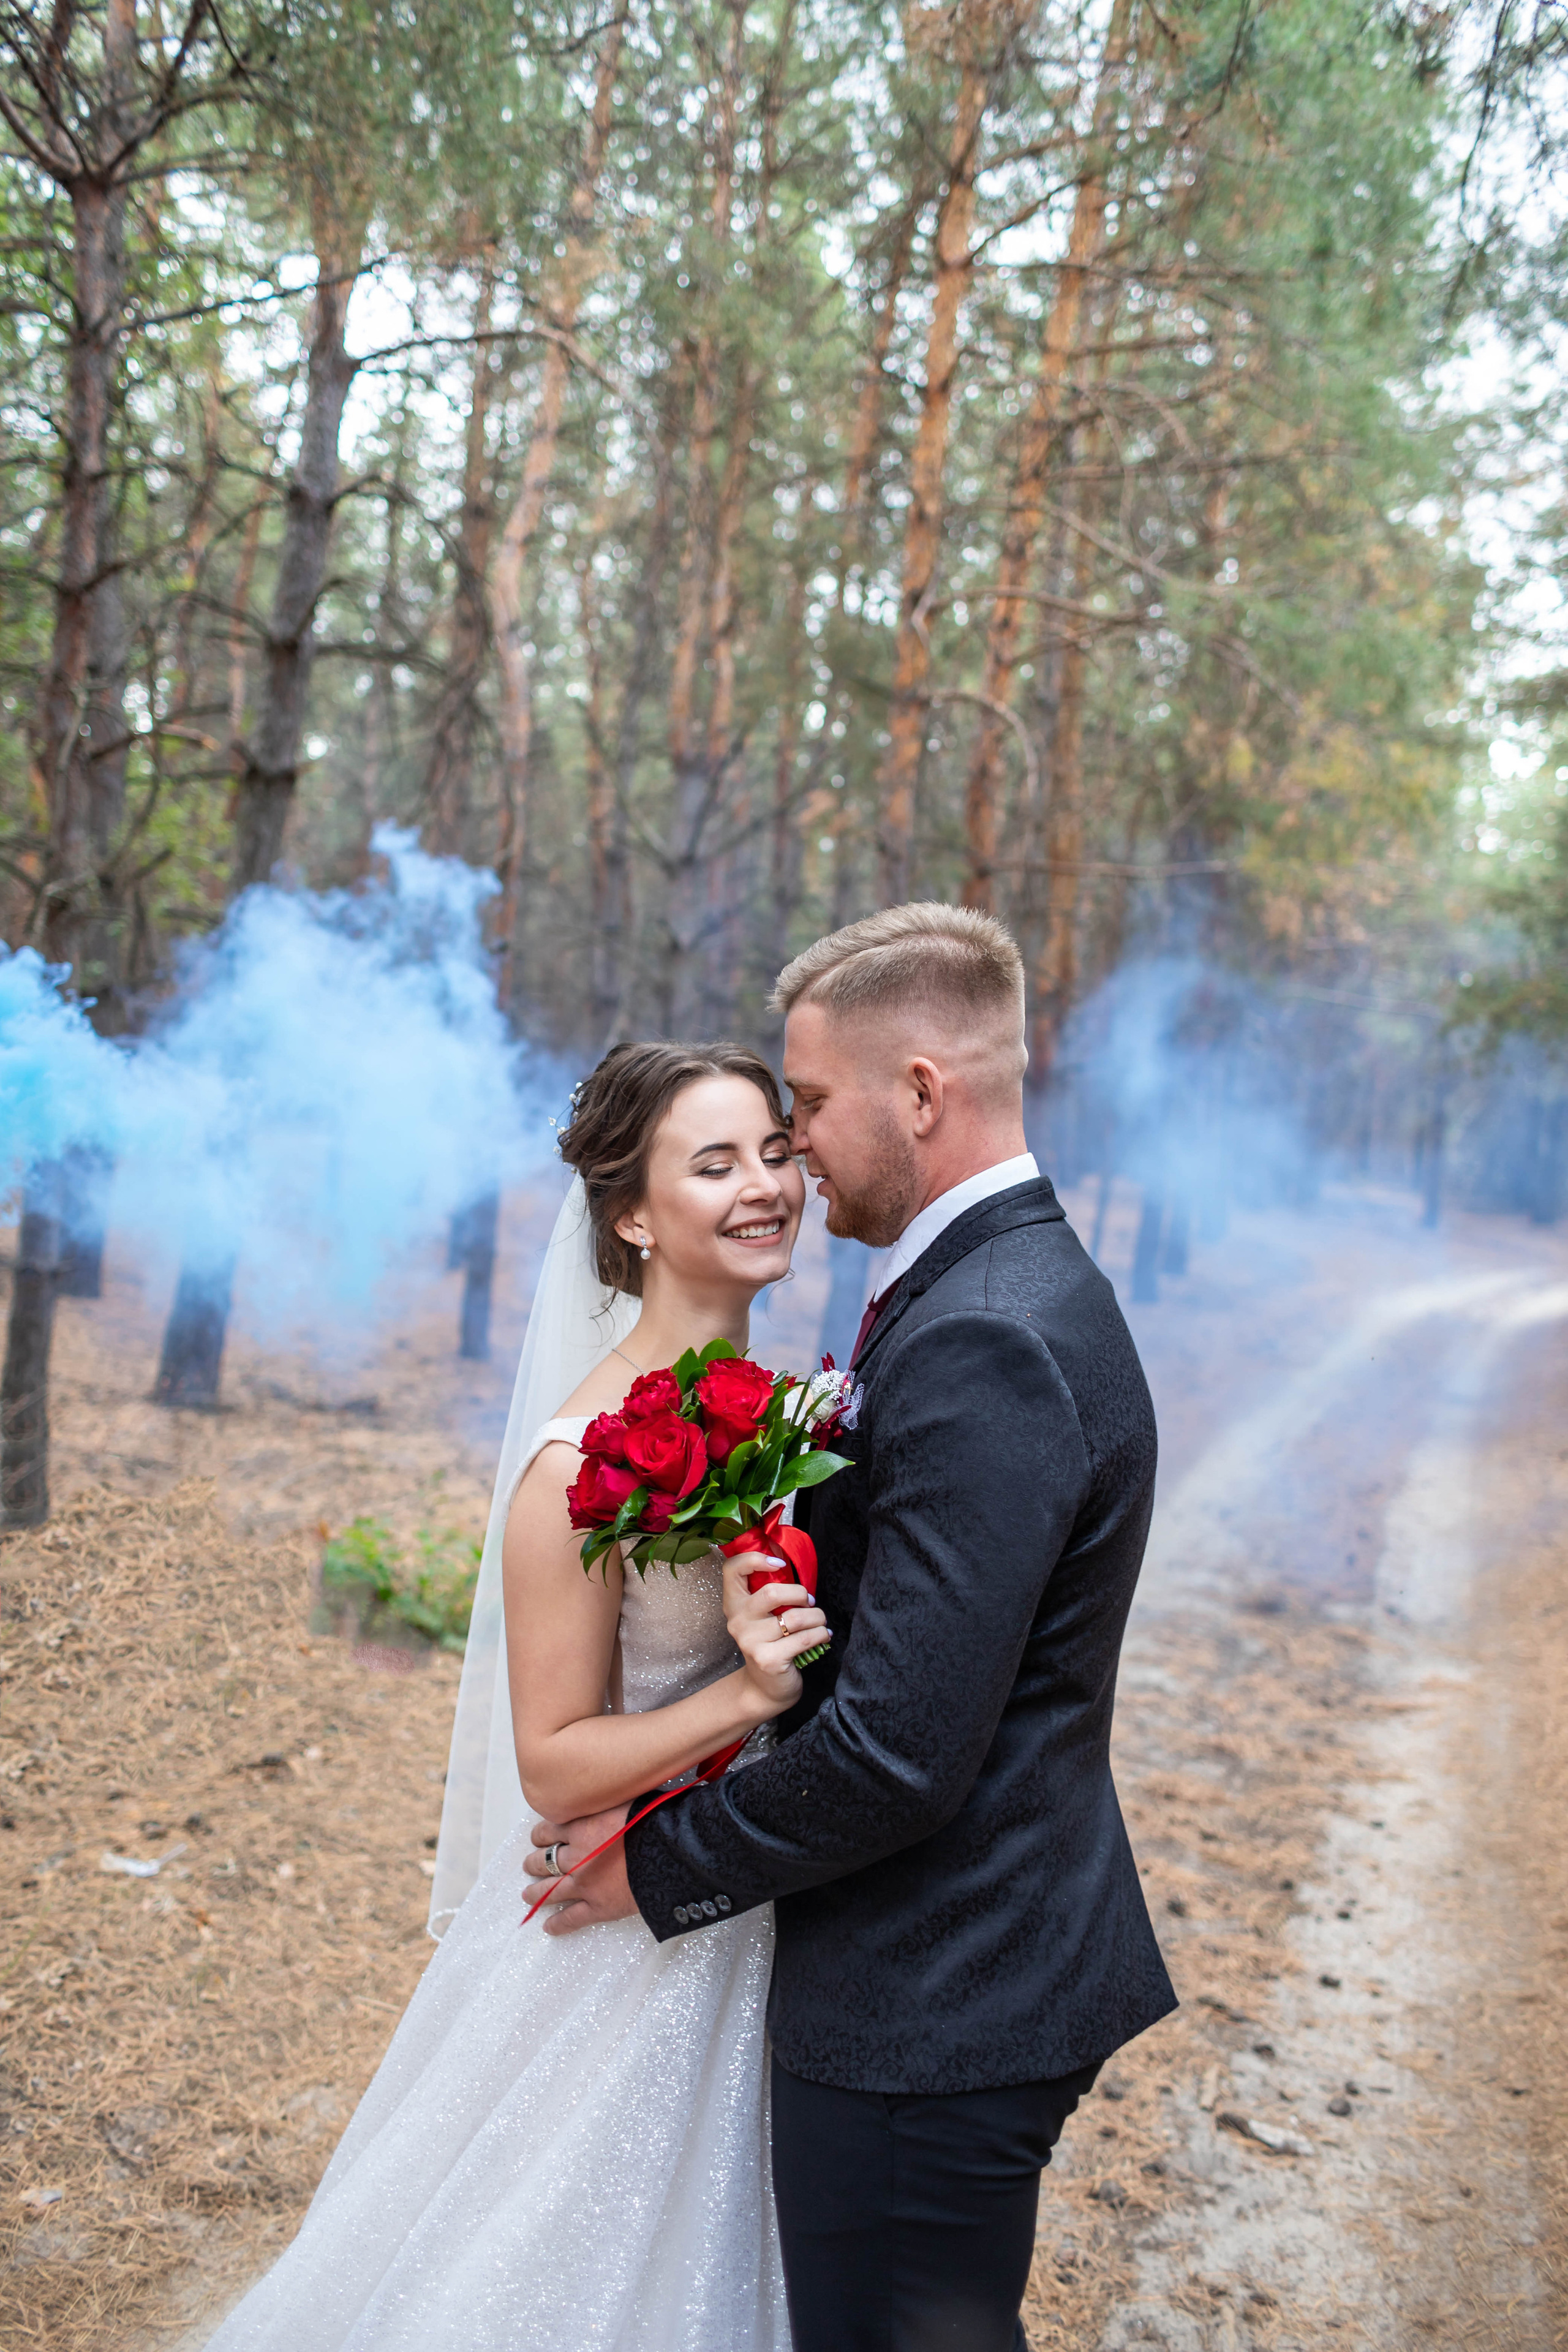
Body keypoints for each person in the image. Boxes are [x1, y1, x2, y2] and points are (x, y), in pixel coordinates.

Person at [527, 903, 1177, 2352]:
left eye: (808, 1108)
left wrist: (650, 1865)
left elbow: (895, 1751)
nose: (795, 1152)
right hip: (942, 1958)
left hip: (932, 1991)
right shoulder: (981, 1286)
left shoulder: (984, 1330)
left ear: (921, 1093)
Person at [201, 1041, 828, 2352]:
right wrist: (745, 1698)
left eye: (775, 1151)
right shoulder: (575, 1464)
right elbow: (550, 1761)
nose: (765, 1186)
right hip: (631, 1934)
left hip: (777, 1893)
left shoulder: (797, 1412)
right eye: (715, 1164)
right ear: (633, 1217)